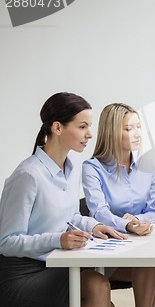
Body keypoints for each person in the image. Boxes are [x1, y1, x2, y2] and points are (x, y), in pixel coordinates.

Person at [0, 92, 126, 307]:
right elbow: (7, 242)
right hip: (23, 274)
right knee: (97, 286)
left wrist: (94, 225)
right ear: (58, 128)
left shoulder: (74, 165)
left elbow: (71, 216)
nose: (90, 134)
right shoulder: (28, 176)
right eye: (82, 126)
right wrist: (57, 240)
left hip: (59, 261)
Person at [82, 103, 155, 307]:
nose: (137, 134)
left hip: (139, 249)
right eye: (129, 129)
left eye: (138, 127)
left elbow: (154, 212)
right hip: (106, 252)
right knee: (149, 263)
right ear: (111, 133)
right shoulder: (92, 168)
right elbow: (99, 212)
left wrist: (138, 221)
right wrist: (126, 225)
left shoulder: (148, 166)